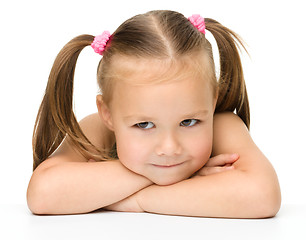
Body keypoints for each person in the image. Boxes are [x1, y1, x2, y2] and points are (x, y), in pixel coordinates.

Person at [27, 10, 281, 218]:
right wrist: (185, 180)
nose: (169, 148)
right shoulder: (99, 129)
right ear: (108, 114)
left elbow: (263, 196)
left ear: (212, 103)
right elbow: (42, 194)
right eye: (145, 125)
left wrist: (136, 201)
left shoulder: (222, 124)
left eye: (189, 121)